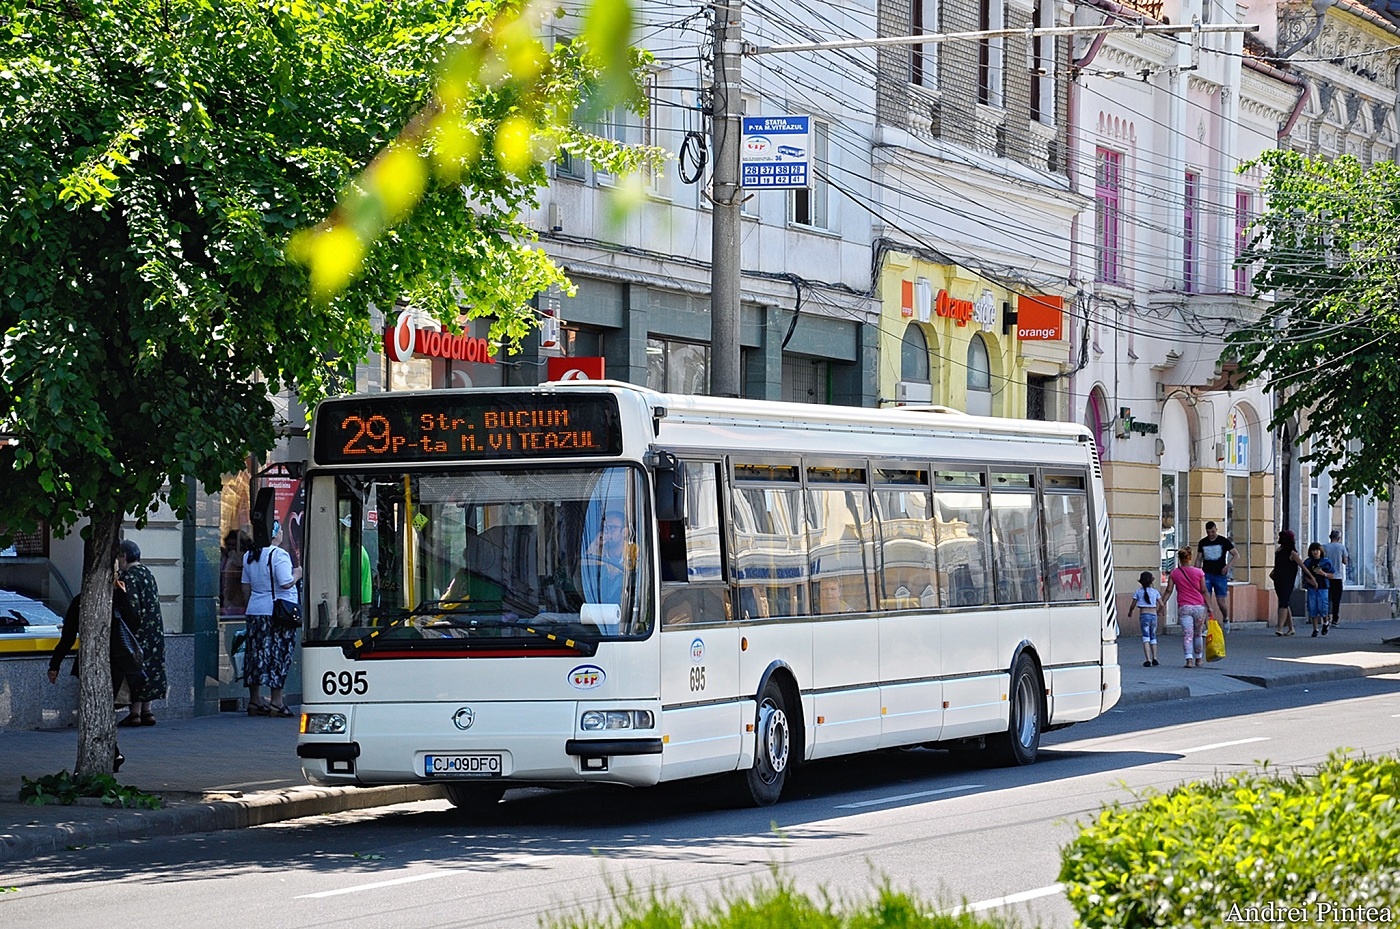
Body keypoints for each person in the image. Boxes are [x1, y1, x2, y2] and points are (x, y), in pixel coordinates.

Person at [46, 569, 145, 772]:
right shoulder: (94, 600)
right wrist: (54, 664)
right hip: (111, 662)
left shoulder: (107, 599)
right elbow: (68, 636)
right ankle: (110, 753)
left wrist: (54, 664)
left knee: (100, 709)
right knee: (101, 709)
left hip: (108, 663)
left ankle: (110, 753)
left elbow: (134, 623)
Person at [241, 519, 301, 717]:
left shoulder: (250, 554)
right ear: (274, 534)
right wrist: (297, 574)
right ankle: (276, 701)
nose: (283, 533)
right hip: (277, 613)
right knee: (278, 653)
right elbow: (285, 583)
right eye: (280, 530)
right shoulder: (279, 554)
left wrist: (253, 603)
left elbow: (245, 586)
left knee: (256, 655)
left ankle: (255, 700)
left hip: (255, 610)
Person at [116, 540, 166, 727]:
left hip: (138, 633)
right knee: (150, 669)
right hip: (155, 631)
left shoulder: (128, 577)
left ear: (124, 556)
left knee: (136, 670)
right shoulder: (148, 573)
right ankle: (148, 711)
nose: (118, 562)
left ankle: (135, 713)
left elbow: (132, 608)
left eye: (119, 557)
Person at [1163, 546, 1209, 668]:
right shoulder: (1199, 572)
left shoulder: (1174, 573)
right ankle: (1199, 659)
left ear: (1179, 558)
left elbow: (1168, 590)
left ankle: (1189, 659)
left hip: (1184, 607)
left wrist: (1161, 605)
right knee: (1198, 634)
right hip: (1199, 607)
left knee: (1187, 634)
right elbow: (1204, 591)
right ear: (1190, 558)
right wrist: (1210, 606)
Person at [1270, 530, 1311, 636]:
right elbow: (1278, 565)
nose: (1279, 539)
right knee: (1285, 602)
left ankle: (1280, 628)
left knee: (1283, 603)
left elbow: (1302, 566)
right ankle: (1291, 628)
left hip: (1288, 580)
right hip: (1278, 579)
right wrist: (1273, 573)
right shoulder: (1279, 550)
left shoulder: (1292, 553)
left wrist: (1311, 577)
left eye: (1281, 537)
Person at [1196, 521, 1236, 631]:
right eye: (1208, 532)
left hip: (1220, 575)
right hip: (1206, 575)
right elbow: (1199, 559)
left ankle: (1226, 618)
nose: (1210, 534)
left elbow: (1236, 555)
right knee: (1205, 601)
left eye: (1212, 532)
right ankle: (1207, 626)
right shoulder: (1203, 542)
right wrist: (1196, 572)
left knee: (1221, 602)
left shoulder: (1223, 541)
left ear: (1216, 530)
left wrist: (1228, 566)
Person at [1126, 570, 1161, 668]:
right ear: (1151, 581)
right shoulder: (1155, 592)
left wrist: (1130, 612)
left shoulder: (1138, 592)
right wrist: (1158, 611)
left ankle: (1148, 660)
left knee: (1146, 637)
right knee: (1153, 636)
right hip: (1154, 615)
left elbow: (1133, 604)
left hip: (1144, 615)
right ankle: (1155, 658)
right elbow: (1161, 604)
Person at [1302, 542, 1335, 637]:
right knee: (1313, 608)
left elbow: (1332, 575)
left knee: (1322, 607)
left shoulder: (1326, 562)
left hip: (1323, 587)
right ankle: (1315, 629)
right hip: (1311, 587)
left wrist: (1323, 573)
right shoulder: (1308, 562)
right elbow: (1304, 575)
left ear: (1321, 551)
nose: (1315, 552)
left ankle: (1325, 622)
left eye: (1317, 550)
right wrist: (1310, 581)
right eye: (1313, 550)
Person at [220, 530, 252, 617]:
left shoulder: (241, 558)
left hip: (237, 599)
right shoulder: (226, 557)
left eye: (233, 545)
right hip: (227, 596)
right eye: (228, 545)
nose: (230, 548)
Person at [1322, 529, 1348, 627]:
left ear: (1330, 537)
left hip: (1326, 576)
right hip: (1337, 577)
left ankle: (1327, 617)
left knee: (1327, 598)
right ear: (1338, 538)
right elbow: (1345, 561)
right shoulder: (1341, 547)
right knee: (1336, 599)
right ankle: (1335, 620)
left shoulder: (1324, 547)